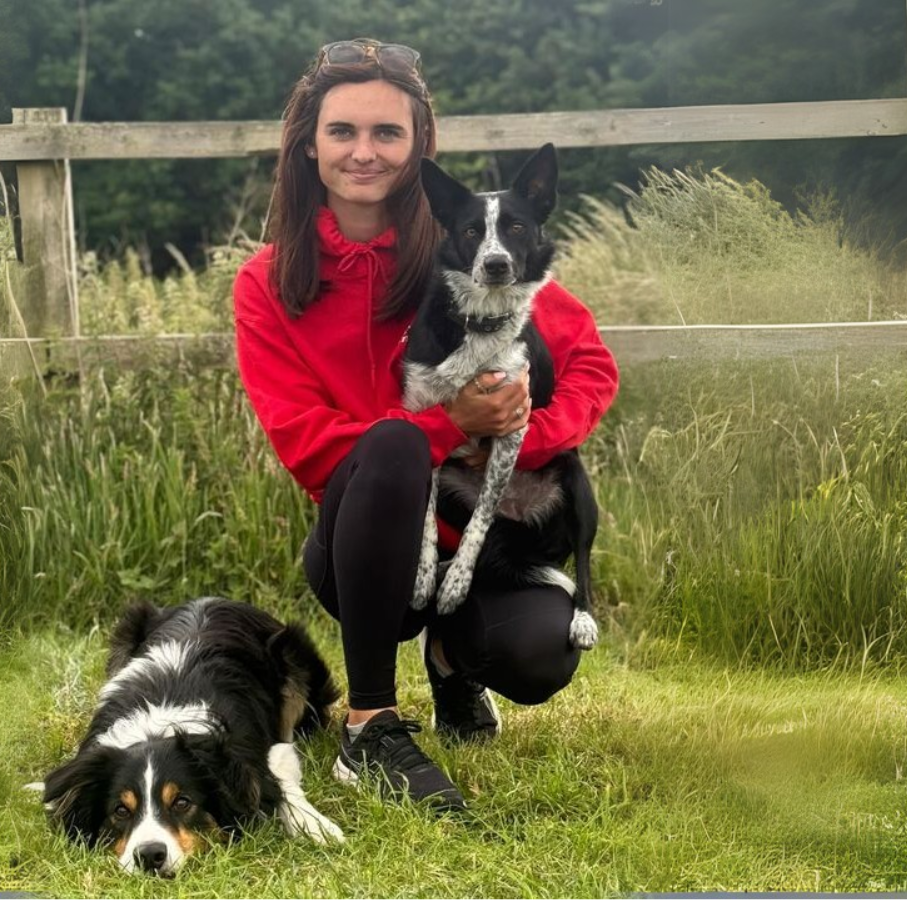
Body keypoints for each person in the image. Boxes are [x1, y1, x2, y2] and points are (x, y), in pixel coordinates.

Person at [233, 38, 619, 812]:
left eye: (387, 132)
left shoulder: (470, 247)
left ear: (419, 146)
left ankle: (451, 662)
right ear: (308, 144)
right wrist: (445, 426)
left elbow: (590, 366)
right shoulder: (267, 282)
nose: (364, 152)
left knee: (539, 654)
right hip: (366, 549)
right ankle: (370, 727)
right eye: (342, 131)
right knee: (393, 441)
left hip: (484, 541)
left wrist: (514, 430)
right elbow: (307, 446)